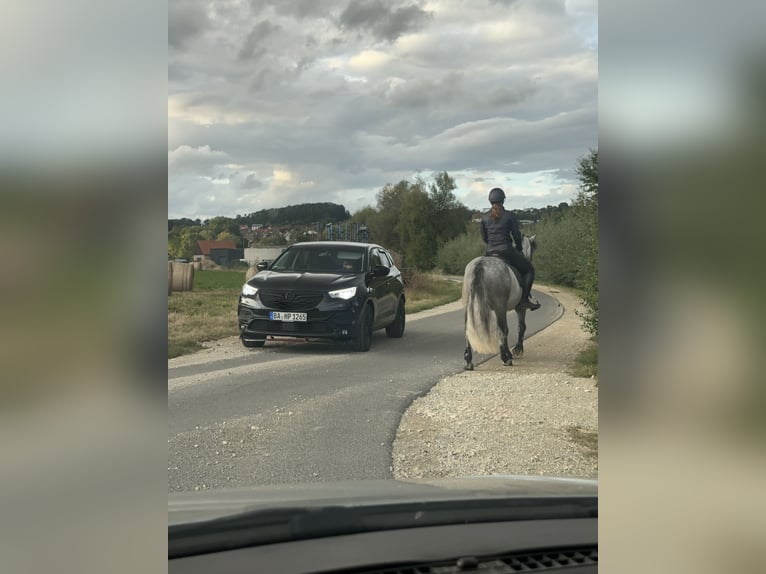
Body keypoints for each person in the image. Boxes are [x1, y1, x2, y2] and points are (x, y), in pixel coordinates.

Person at [480, 187, 540, 310]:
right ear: (503, 200)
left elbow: (484, 238)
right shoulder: (509, 215)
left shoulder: (484, 218)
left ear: (490, 201)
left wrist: (491, 244)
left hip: (490, 252)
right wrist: (518, 248)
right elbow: (517, 236)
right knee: (529, 271)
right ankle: (524, 301)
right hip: (506, 251)